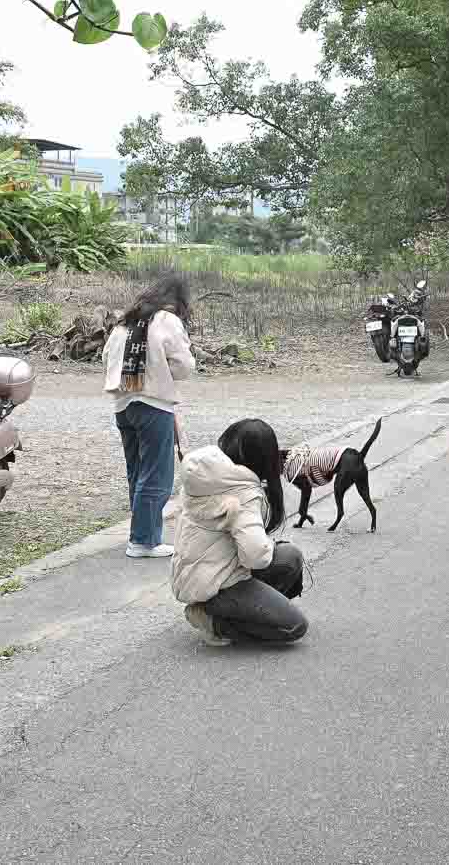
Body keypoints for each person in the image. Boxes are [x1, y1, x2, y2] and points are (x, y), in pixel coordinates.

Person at [172, 418, 307, 647]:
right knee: (293, 626)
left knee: (290, 556)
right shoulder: (243, 492)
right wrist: (262, 543)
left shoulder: (207, 474)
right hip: (216, 585)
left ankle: (243, 610)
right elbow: (255, 557)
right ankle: (212, 619)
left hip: (194, 575)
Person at [103, 274, 197, 559]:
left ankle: (143, 533)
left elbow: (107, 359)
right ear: (176, 300)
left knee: (138, 471)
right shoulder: (167, 320)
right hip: (153, 403)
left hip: (123, 404)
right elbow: (183, 366)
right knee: (157, 473)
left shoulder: (124, 321)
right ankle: (143, 541)